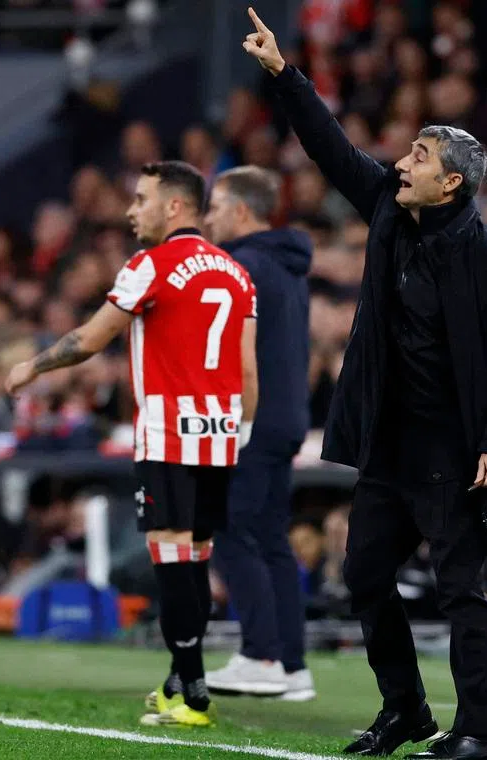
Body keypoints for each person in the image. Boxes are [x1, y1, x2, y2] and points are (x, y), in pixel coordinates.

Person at [243, 10, 487, 760]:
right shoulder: (386, 205)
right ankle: (405, 708)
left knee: (461, 589)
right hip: (388, 442)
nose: (401, 163)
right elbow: (330, 147)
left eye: (419, 156)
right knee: (365, 575)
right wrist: (284, 74)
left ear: (451, 184)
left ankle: (476, 732)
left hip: (457, 450)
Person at [5, 161, 258, 728]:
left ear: (174, 206)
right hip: (219, 434)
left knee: (171, 556)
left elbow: (89, 339)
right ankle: (179, 680)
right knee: (195, 555)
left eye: (141, 199)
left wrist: (32, 366)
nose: (131, 210)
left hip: (167, 433)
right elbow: (247, 370)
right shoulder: (236, 273)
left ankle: (193, 692)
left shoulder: (150, 265)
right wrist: (240, 431)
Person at [202, 165, 316, 701]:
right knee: (271, 539)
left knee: (230, 529)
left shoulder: (242, 265)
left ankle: (261, 655)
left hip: (253, 418)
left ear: (241, 211)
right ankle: (291, 665)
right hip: (286, 417)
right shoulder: (286, 265)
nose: (208, 219)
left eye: (215, 207)